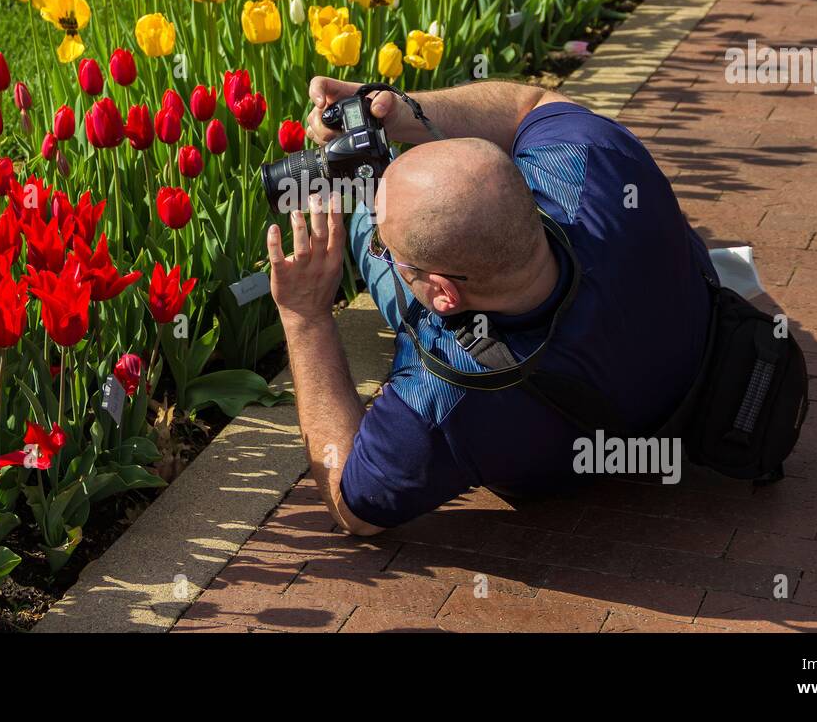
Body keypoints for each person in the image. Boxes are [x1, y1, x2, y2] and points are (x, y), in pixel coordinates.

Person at [265, 76, 717, 536]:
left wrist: (307, 317)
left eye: (388, 246)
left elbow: (352, 506)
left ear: (443, 295)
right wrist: (406, 113)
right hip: (684, 371)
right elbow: (534, 101)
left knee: (376, 223)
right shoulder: (594, 160)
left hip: (566, 469)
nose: (386, 249)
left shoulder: (442, 399)